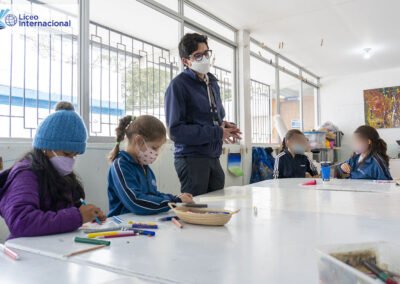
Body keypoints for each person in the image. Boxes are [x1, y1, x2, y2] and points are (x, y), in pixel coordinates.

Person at [0, 108, 106, 240]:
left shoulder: (58, 173)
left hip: (54, 247)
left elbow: (60, 210)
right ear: (45, 147)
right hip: (26, 251)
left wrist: (88, 214)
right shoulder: (25, 175)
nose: (70, 161)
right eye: (67, 154)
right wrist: (77, 216)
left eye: (75, 155)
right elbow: (21, 221)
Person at [165, 33, 242, 196]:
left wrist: (224, 125)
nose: (205, 58)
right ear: (186, 61)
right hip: (191, 158)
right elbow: (175, 131)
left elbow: (212, 117)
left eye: (206, 53)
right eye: (198, 55)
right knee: (197, 211)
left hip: (213, 155)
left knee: (217, 206)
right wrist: (217, 132)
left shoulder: (213, 84)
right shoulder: (178, 85)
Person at [107, 115, 194, 216]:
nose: (156, 153)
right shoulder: (121, 166)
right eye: (154, 147)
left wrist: (174, 198)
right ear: (139, 140)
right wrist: (173, 203)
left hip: (142, 222)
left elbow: (152, 195)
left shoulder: (144, 166)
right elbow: (136, 202)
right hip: (123, 225)